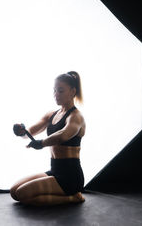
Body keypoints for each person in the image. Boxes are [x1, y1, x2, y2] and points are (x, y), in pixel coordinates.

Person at [10, 71, 86, 206]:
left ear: (73, 91)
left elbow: (63, 135)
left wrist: (42, 143)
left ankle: (74, 197)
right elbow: (31, 131)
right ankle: (71, 195)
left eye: (60, 91)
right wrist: (22, 131)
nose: (56, 94)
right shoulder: (52, 114)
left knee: (22, 194)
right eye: (54, 90)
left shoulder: (76, 117)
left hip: (70, 177)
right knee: (14, 191)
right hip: (55, 171)